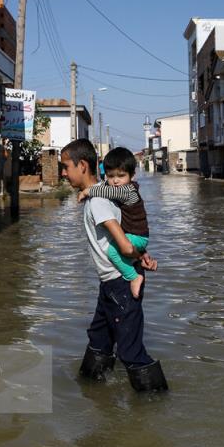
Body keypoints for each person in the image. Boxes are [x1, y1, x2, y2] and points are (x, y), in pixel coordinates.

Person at [60, 139, 168, 392]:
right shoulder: (102, 194)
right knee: (99, 340)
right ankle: (90, 392)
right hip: (109, 283)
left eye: (65, 166)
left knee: (130, 351)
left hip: (121, 283)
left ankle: (156, 403)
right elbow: (127, 231)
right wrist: (141, 255)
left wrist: (136, 254)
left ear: (82, 165)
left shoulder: (98, 200)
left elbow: (124, 244)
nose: (63, 173)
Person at [77, 147, 148, 299]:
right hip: (132, 235)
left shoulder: (128, 191)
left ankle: (133, 276)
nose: (115, 181)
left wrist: (87, 191)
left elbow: (108, 191)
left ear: (132, 176)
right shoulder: (118, 185)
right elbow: (105, 186)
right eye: (111, 176)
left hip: (139, 237)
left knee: (113, 251)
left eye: (121, 176)